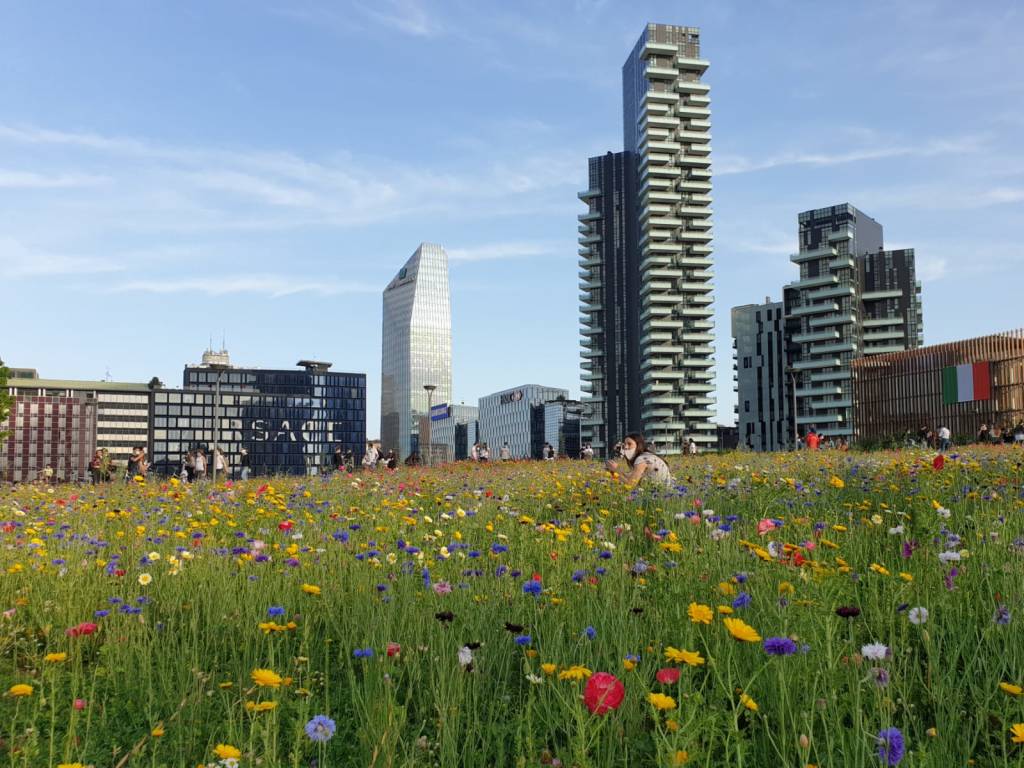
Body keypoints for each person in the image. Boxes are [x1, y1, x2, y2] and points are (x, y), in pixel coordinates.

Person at [604, 432, 673, 488]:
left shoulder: (642, 459)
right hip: (662, 492)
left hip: (658, 495)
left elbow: (630, 484)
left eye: (629, 444)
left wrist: (616, 469)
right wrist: (613, 472)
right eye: (624, 444)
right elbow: (630, 477)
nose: (626, 447)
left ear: (638, 445)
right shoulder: (646, 456)